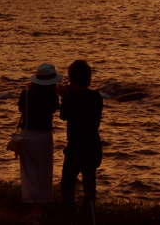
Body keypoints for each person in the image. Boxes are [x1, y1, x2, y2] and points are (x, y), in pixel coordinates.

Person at [57, 60, 103, 216]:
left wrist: (65, 97)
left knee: (67, 183)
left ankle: (68, 214)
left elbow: (64, 115)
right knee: (89, 184)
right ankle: (89, 214)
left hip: (76, 148)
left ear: (73, 79)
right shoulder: (96, 97)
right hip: (93, 147)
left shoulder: (72, 99)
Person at [18, 62, 63, 220]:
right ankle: (41, 207)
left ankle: (34, 208)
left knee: (29, 171)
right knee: (44, 171)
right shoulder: (53, 97)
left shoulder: (26, 94)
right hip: (44, 135)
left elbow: (21, 110)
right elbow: (52, 110)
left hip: (27, 134)